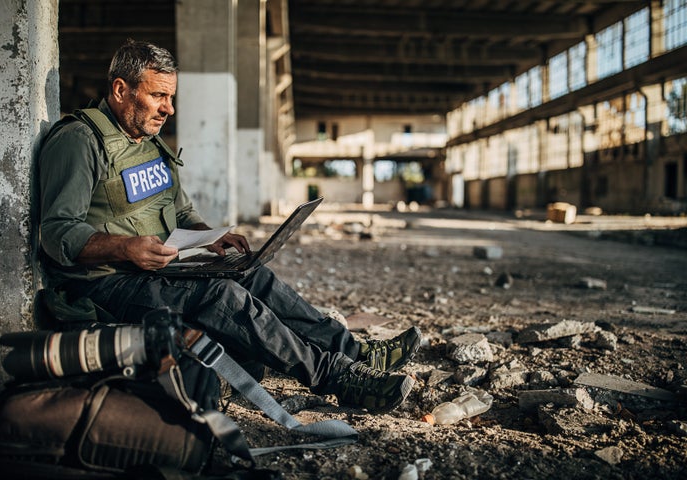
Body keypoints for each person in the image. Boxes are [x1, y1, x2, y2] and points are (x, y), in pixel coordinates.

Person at [38, 39, 421, 414]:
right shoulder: (80, 141)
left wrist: (211, 235)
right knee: (221, 296)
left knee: (254, 275)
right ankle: (338, 378)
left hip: (153, 269)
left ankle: (353, 351)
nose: (169, 109)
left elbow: (180, 209)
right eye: (158, 96)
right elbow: (57, 233)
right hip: (102, 283)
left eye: (171, 98)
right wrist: (125, 247)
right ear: (121, 90)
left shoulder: (149, 142)